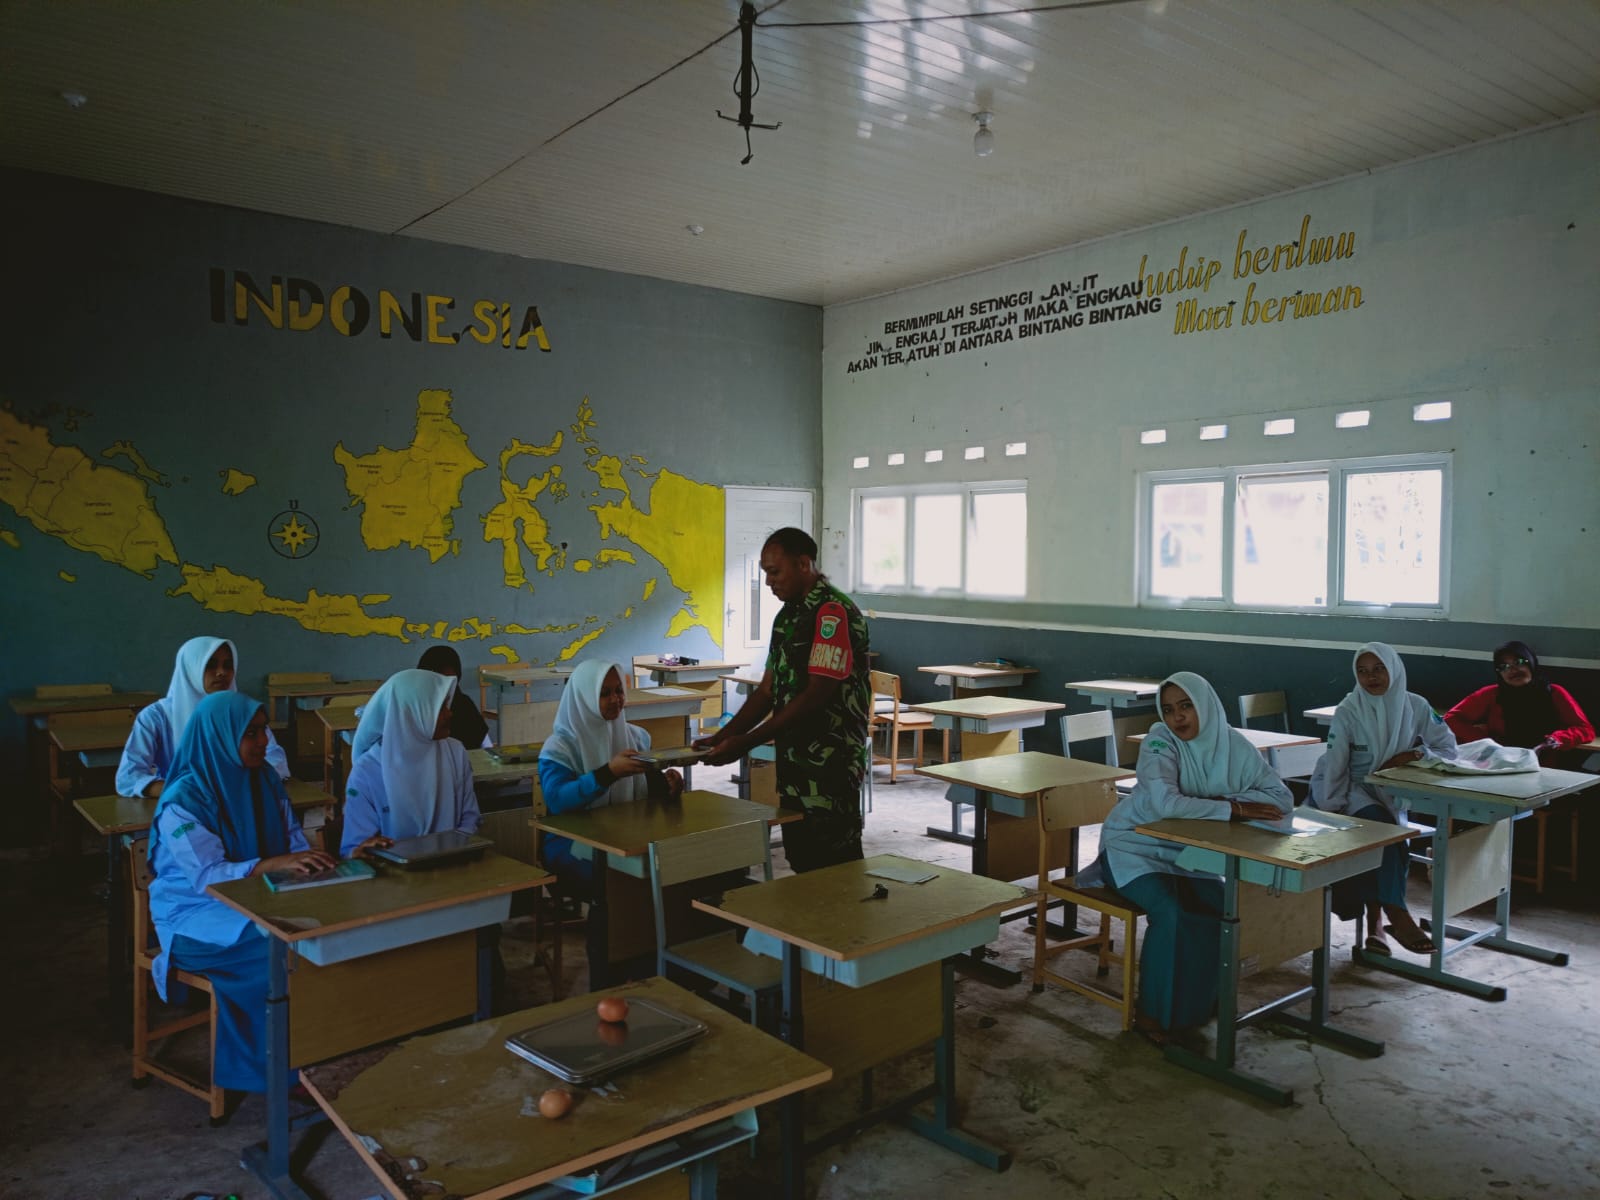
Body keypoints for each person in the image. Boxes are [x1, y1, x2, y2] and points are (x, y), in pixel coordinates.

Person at [145, 692, 351, 1095]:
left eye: (264, 731)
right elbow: (208, 876)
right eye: (250, 733)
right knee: (281, 952)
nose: (262, 741)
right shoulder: (183, 800)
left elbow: (292, 842)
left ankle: (322, 1051)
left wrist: (311, 865)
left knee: (330, 931)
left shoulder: (265, 779)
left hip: (260, 897)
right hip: (196, 915)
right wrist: (272, 865)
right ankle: (274, 1071)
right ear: (219, 736)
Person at [1097, 672, 1291, 1043]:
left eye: (1186, 706)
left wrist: (1221, 803)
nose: (1178, 717)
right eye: (1169, 709)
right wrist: (1233, 808)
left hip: (1188, 851)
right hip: (1131, 847)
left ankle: (1198, 1004)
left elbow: (1280, 799)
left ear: (1206, 705)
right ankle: (1152, 1013)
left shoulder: (1233, 744)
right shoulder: (1160, 741)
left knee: (1221, 909)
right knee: (1172, 912)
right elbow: (1165, 803)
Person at [697, 527, 871, 873]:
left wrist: (747, 742)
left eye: (775, 572)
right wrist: (723, 736)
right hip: (795, 767)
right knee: (801, 859)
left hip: (829, 769)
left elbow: (816, 695)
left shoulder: (832, 613)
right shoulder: (788, 617)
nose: (768, 582)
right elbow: (767, 691)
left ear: (803, 564)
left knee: (837, 868)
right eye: (765, 573)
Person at [538, 660, 684, 986]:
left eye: (619, 691)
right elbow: (558, 800)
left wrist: (669, 785)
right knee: (616, 882)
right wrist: (607, 774)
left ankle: (657, 968)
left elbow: (647, 788)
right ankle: (607, 981)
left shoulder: (635, 736)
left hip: (625, 838)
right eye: (604, 693)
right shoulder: (560, 746)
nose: (616, 700)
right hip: (571, 844)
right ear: (584, 698)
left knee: (672, 870)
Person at [1310, 642, 1457, 956]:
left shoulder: (1416, 706)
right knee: (1384, 833)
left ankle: (1376, 926)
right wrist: (1332, 808)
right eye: (1362, 671)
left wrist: (1415, 754)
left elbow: (1448, 748)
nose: (1371, 677)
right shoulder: (1350, 709)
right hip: (1349, 787)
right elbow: (1335, 764)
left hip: (1390, 789)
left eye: (1378, 669)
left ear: (1394, 669)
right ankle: (1395, 913)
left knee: (1393, 839)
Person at [118, 636, 291, 798]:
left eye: (228, 665)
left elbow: (276, 759)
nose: (221, 672)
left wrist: (233, 783)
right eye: (210, 665)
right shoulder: (156, 717)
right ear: (190, 669)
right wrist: (181, 789)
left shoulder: (244, 712)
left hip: (237, 796)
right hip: (182, 803)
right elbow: (128, 776)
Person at [339, 669, 482, 856]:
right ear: (410, 713)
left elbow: (470, 819)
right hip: (392, 868)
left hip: (452, 860)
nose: (449, 713)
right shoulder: (367, 771)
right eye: (440, 708)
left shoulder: (455, 752)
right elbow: (354, 848)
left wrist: (450, 853)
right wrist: (366, 849)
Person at [1443, 640, 1594, 763]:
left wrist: (1556, 740)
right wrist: (1486, 741)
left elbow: (1585, 729)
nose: (1513, 670)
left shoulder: (1553, 692)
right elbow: (1451, 719)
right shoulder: (1491, 694)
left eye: (1519, 662)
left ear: (1531, 663)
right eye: (1504, 666)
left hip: (1544, 765)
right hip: (1499, 762)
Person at [416, 644, 493, 750]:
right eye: (437, 676)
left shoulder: (464, 704)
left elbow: (486, 745)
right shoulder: (417, 708)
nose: (448, 714)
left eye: (449, 679)